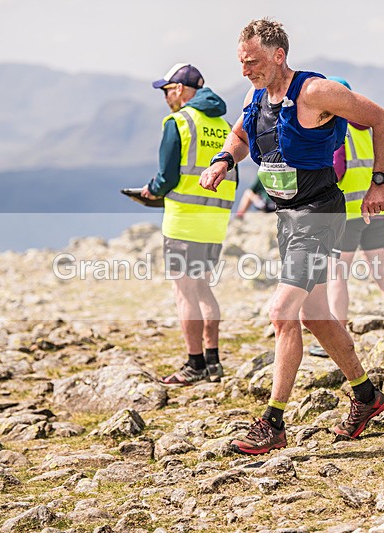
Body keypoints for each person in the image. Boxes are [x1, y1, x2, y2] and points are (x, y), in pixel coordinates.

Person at [200, 19, 384, 454]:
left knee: (282, 313)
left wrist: (378, 183)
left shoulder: (315, 91)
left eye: (252, 62)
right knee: (317, 317)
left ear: (278, 56)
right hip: (288, 217)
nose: (245, 70)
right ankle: (368, 398)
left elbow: (383, 119)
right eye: (241, 63)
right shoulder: (255, 95)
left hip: (320, 214)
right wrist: (222, 162)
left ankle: (273, 423)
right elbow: (240, 135)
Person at [140, 63, 237, 385]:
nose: (166, 97)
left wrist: (150, 191)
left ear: (180, 89)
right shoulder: (224, 126)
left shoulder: (178, 122)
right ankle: (213, 362)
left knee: (184, 293)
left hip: (183, 222)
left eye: (167, 91)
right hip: (215, 221)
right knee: (203, 287)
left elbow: (167, 176)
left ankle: (194, 364)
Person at [308, 77, 384, 358]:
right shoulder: (367, 127)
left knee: (337, 274)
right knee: (382, 271)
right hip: (375, 209)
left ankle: (336, 335)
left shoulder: (338, 129)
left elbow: (336, 170)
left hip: (348, 212)